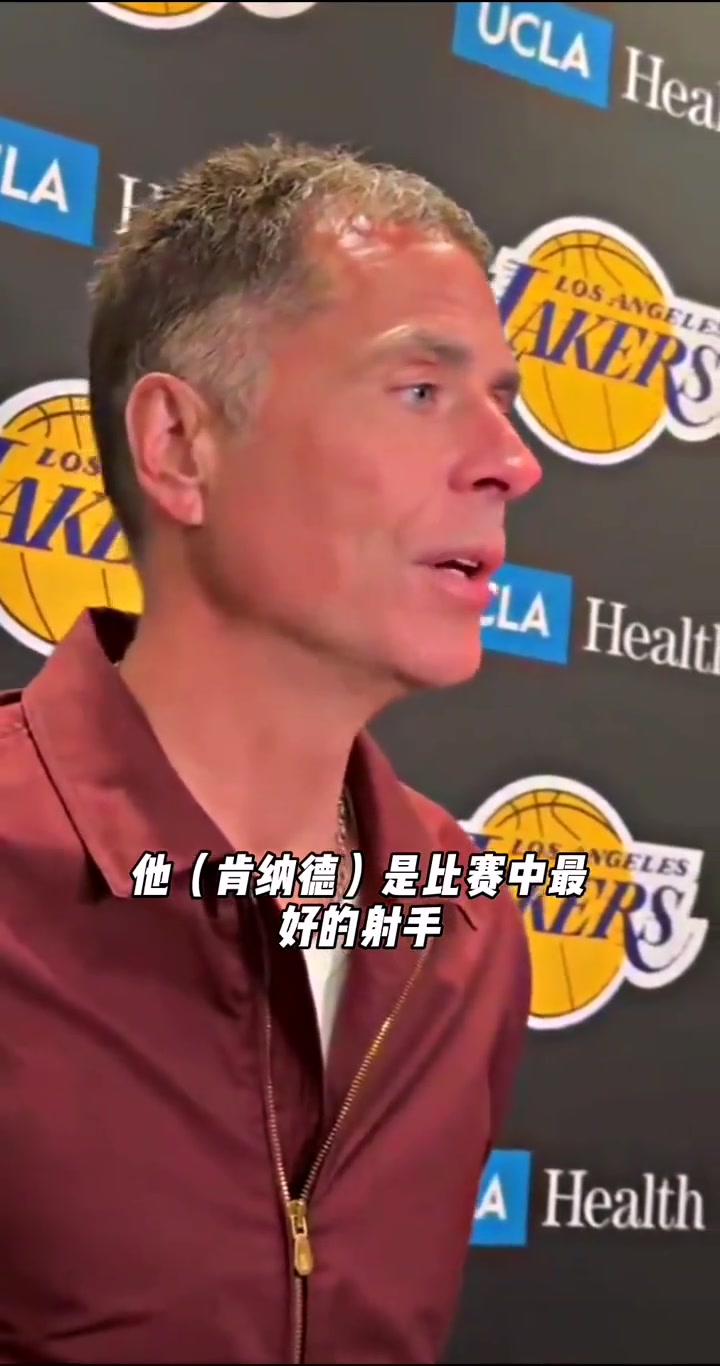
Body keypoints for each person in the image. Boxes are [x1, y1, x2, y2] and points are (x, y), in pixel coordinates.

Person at [0, 139, 541, 1365]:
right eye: (421, 390)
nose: (513, 462)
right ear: (180, 446)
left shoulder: (467, 925)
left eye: (503, 400)